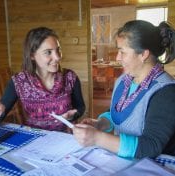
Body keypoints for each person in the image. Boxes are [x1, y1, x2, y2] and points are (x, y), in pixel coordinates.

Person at [73, 20, 175, 159]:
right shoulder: (124, 80)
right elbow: (118, 113)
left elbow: (151, 146)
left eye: (122, 52)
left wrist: (98, 138)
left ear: (143, 54)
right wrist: (100, 124)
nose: (117, 57)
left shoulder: (165, 91)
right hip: (122, 162)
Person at [0, 27, 85, 131]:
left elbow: (80, 107)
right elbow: (1, 113)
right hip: (36, 140)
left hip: (66, 138)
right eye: (48, 52)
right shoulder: (19, 81)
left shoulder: (70, 77)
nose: (57, 57)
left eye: (58, 50)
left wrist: (74, 115)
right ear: (32, 55)